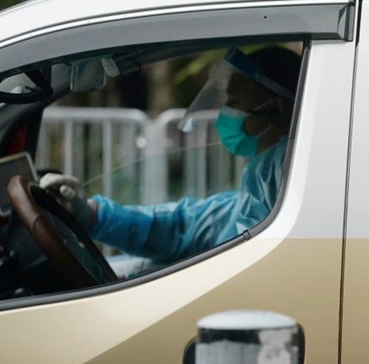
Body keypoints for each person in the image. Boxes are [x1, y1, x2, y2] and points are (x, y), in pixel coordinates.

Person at [40, 46, 300, 263]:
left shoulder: (279, 173)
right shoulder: (264, 186)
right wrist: (93, 214)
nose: (224, 114)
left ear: (274, 108)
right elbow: (186, 225)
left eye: (233, 103)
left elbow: (238, 261)